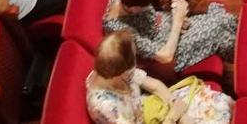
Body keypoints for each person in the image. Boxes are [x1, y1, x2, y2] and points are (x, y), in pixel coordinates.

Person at [102, 0, 238, 73]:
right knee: (218, 30)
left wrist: (176, 4)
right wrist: (178, 23)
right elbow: (165, 56)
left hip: (170, 22)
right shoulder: (120, 29)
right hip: (170, 45)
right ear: (134, 8)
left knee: (222, 20)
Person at [86, 31, 233, 124]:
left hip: (154, 107)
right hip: (155, 119)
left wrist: (173, 102)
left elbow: (154, 85)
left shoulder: (113, 69)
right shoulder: (105, 107)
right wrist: (174, 117)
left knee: (218, 100)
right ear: (122, 71)